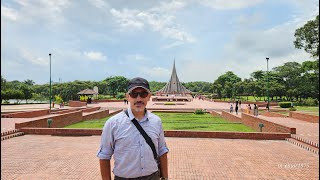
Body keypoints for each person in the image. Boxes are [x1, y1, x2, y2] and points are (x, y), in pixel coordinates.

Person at [97, 77, 169, 180]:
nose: (139, 99)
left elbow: (162, 151)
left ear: (149, 96)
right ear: (127, 96)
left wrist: (166, 178)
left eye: (143, 94)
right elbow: (104, 156)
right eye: (134, 94)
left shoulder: (156, 121)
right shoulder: (113, 123)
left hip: (153, 177)